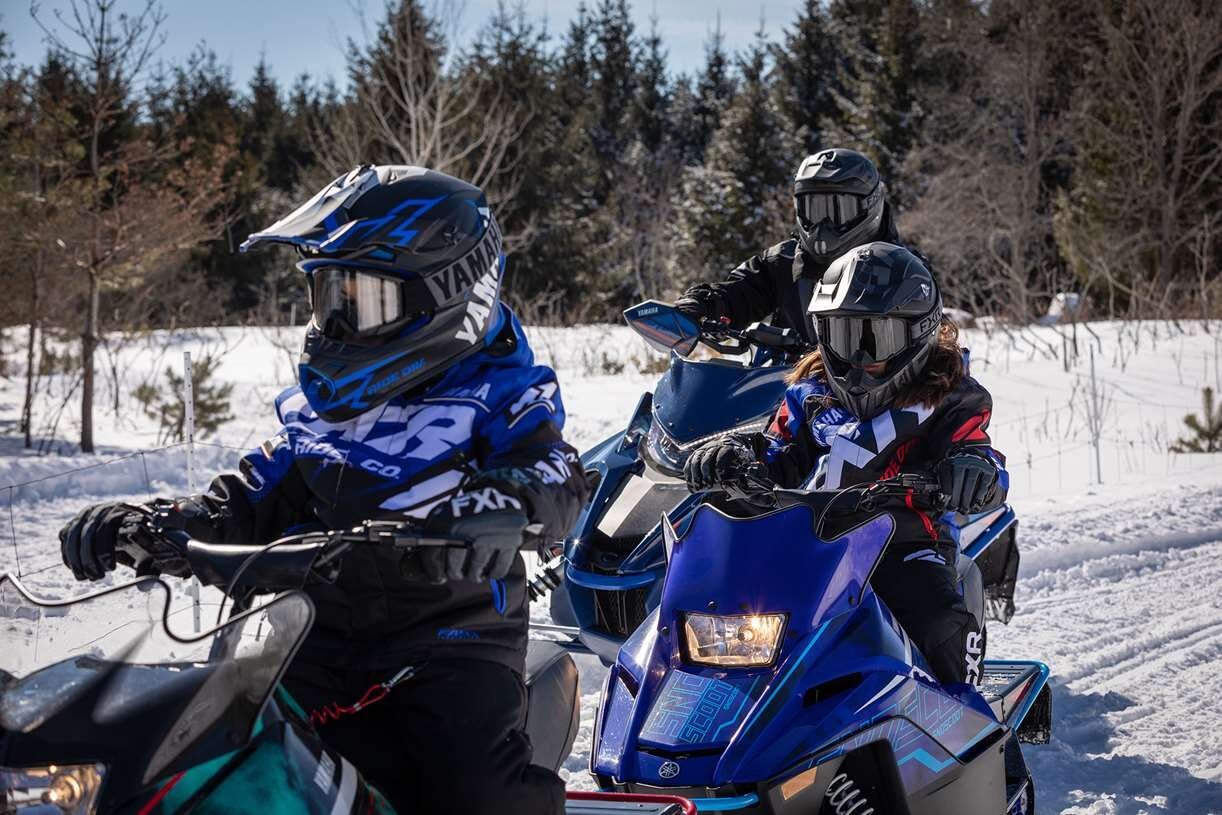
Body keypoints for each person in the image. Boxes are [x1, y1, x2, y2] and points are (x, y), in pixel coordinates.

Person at [58, 165, 589, 814]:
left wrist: (505, 503)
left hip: (447, 642)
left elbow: (554, 471)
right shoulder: (319, 416)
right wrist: (153, 526)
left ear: (449, 294)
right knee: (206, 757)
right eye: (328, 296)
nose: (337, 321)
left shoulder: (500, 394)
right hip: (308, 633)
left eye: (364, 300)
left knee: (471, 789)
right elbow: (247, 498)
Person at [683, 242, 1007, 688]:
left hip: (902, 543)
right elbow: (777, 451)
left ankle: (973, 717)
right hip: (807, 539)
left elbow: (975, 448)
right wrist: (735, 453)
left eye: (874, 339)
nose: (856, 357)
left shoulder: (952, 397)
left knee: (938, 626)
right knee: (714, 612)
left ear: (919, 334)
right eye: (841, 336)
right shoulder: (809, 393)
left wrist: (974, 468)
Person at [674, 147, 901, 345]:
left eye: (837, 211)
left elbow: (921, 340)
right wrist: (702, 304)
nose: (823, 226)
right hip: (789, 378)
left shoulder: (904, 269)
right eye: (814, 211)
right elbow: (739, 293)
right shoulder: (783, 261)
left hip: (873, 379)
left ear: (871, 205)